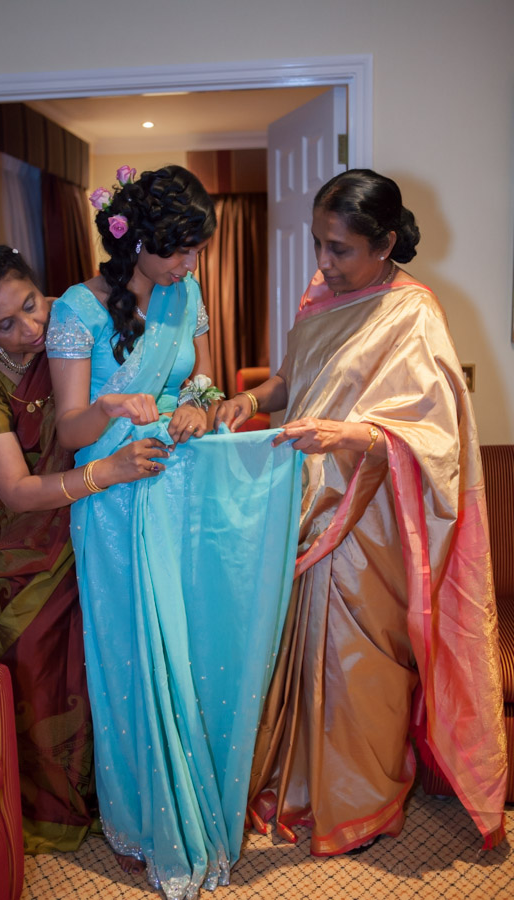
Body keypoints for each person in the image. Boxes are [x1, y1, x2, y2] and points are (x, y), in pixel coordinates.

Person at [215, 169, 507, 856]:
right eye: (318, 244)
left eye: (339, 249)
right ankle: (301, 790)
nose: (323, 263)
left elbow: (436, 431)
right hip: (307, 502)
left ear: (385, 244)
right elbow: (298, 376)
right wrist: (252, 400)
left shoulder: (414, 313)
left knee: (358, 666)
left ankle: (363, 803)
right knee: (297, 653)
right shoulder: (323, 299)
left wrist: (353, 435)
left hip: (372, 514)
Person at [46, 165, 303, 897]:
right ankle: (143, 823)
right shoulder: (77, 308)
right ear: (136, 244)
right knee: (132, 663)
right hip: (117, 496)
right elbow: (68, 431)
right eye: (178, 253)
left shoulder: (184, 292)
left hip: (184, 490)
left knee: (192, 650)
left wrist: (200, 402)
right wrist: (113, 410)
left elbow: (199, 380)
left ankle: (201, 800)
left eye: (196, 253)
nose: (189, 268)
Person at [0, 244, 169, 853]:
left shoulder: (70, 322)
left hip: (92, 529)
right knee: (41, 683)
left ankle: (114, 805)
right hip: (22, 549)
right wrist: (111, 473)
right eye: (6, 325)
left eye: (30, 305)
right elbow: (16, 491)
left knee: (100, 669)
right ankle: (50, 820)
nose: (31, 329)